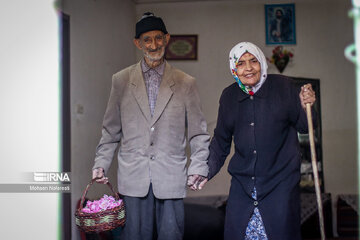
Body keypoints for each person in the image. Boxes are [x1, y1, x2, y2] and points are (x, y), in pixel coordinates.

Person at [91, 12, 209, 240]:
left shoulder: (186, 82)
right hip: (133, 177)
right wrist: (100, 164)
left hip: (171, 176)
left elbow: (198, 134)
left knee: (171, 235)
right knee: (133, 236)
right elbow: (110, 130)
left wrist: (198, 167)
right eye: (147, 39)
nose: (153, 45)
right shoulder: (121, 80)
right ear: (138, 43)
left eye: (158, 38)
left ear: (166, 38)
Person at [206, 42, 316, 240]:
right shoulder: (229, 96)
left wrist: (305, 106)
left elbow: (305, 126)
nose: (248, 68)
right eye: (241, 63)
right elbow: (221, 141)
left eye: (253, 61)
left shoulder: (284, 86)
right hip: (243, 186)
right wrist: (204, 171)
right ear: (234, 68)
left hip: (280, 184)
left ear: (262, 63)